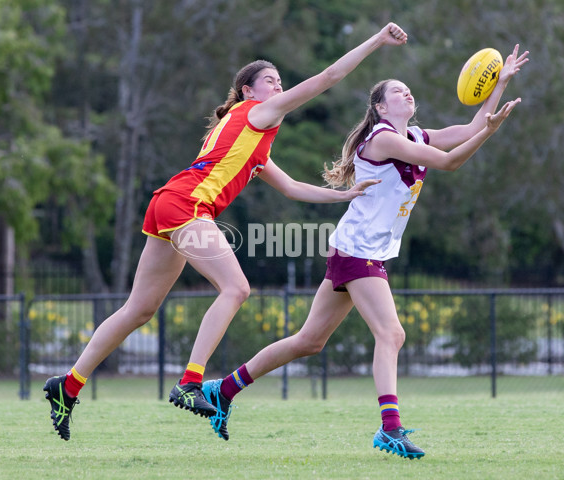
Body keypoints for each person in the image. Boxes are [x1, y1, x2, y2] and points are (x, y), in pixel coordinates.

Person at [43, 22, 409, 441]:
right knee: (235, 288)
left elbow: (292, 188)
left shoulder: (254, 140)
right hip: (186, 205)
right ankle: (190, 383)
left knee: (139, 309)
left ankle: (67, 386)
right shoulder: (256, 113)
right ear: (249, 92)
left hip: (171, 202)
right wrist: (377, 40)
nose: (278, 87)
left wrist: (344, 196)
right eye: (270, 81)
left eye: (280, 81)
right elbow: (327, 78)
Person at [200, 45, 529, 459]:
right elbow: (449, 162)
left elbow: (473, 125)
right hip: (358, 250)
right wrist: (489, 131)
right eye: (399, 91)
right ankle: (390, 428)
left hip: (356, 247)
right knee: (391, 333)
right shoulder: (383, 139)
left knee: (308, 341)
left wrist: (498, 84)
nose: (408, 94)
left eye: (410, 91)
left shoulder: (412, 135)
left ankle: (223, 389)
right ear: (379, 105)